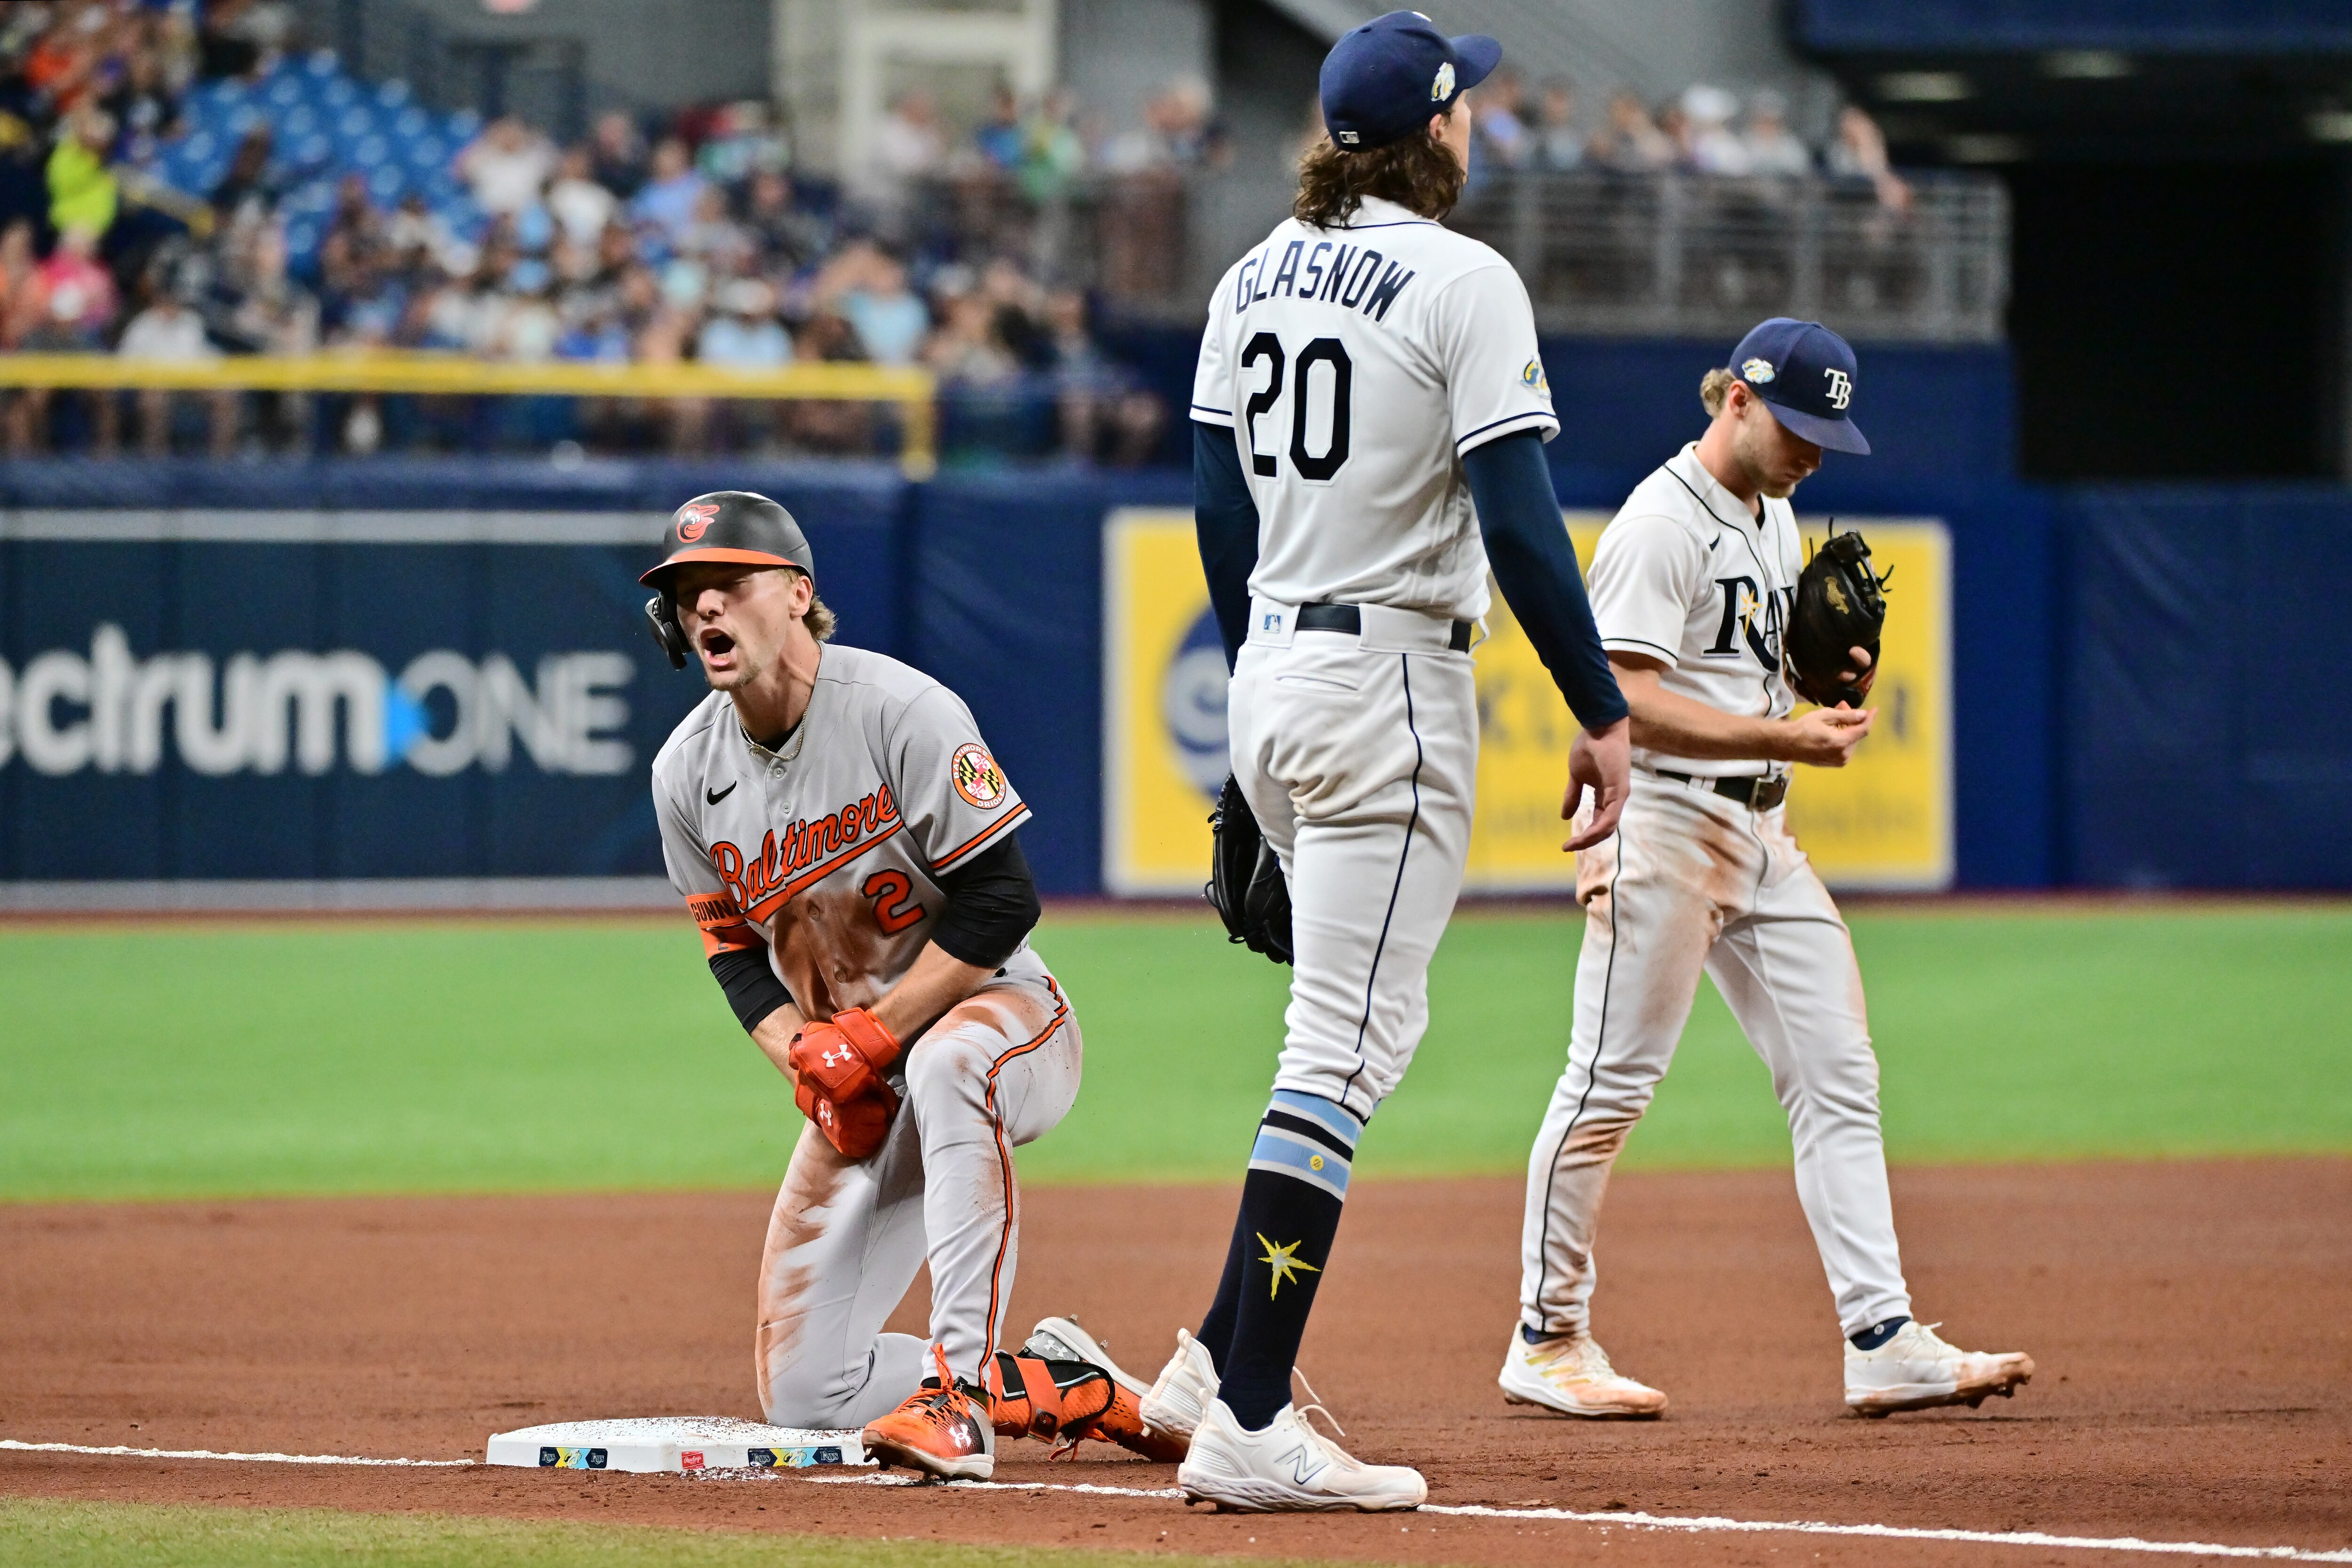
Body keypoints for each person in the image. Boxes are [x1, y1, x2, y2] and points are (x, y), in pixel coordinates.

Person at [1144, 10, 1630, 1512]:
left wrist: (1254, 704)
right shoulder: (1462, 277)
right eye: (1465, 103)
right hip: (1391, 680)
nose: (1477, 119)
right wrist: (1602, 710)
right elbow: (1521, 522)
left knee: (1349, 1034)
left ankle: (1211, 1361)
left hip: (1281, 659)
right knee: (1338, 1056)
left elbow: (1219, 508)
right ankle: (1249, 1411)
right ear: (1429, 132)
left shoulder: (1251, 273)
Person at [1504, 319, 2035, 1421]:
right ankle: (1545, 1336)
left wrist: (1814, 683)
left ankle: (1881, 1335)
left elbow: (1743, 668)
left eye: (1826, 433)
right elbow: (1623, 695)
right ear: (1734, 400)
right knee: (1606, 1085)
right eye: (1795, 425)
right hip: (1659, 831)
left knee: (1838, 1073)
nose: (1810, 450)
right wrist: (1784, 737)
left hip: (1760, 839)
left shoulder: (1777, 513)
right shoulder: (1660, 522)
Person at [642, 491, 1184, 1480]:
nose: (704, 610)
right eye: (686, 596)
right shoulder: (686, 772)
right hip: (865, 1075)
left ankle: (963, 1402)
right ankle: (1059, 1380)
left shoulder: (899, 710)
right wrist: (806, 1063)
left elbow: (1002, 899)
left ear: (798, 594)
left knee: (948, 1058)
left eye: (729, 583)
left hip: (1004, 1021)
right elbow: (731, 952)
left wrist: (875, 1034)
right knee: (809, 1392)